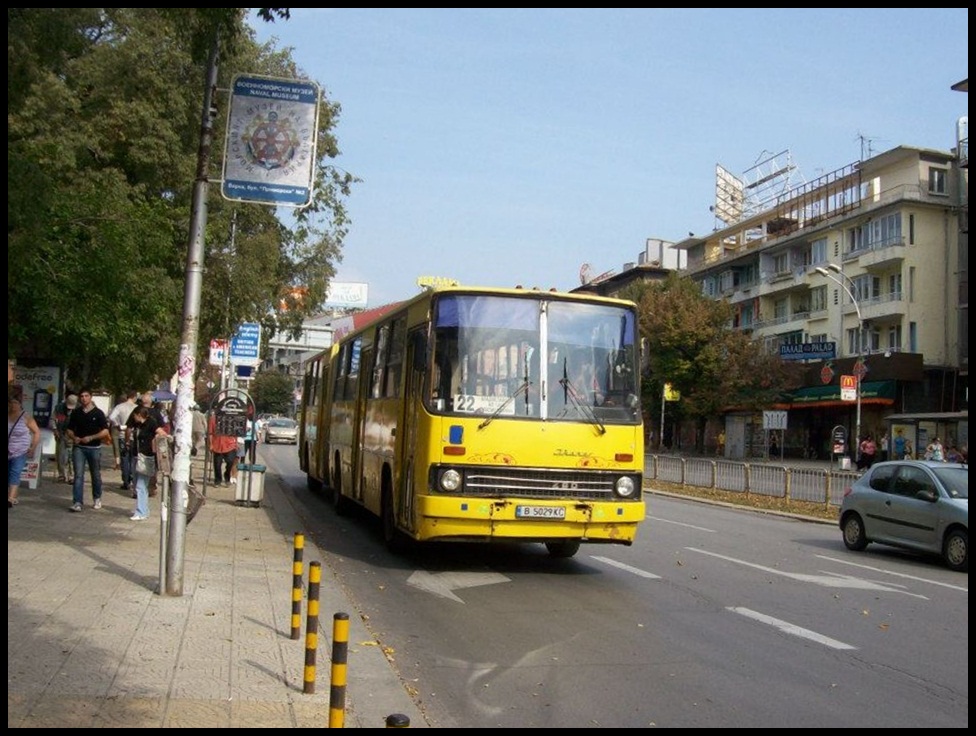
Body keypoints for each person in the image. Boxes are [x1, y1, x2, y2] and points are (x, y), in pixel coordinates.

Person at [65, 387, 110, 511]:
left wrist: (92, 437)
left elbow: (105, 430)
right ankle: (77, 502)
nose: (84, 398)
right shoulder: (76, 413)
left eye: (86, 396)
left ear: (90, 397)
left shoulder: (98, 413)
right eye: (82, 396)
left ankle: (97, 498)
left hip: (94, 448)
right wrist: (74, 437)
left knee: (95, 474)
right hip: (79, 447)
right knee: (78, 475)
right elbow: (69, 429)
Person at [128, 405, 166, 521]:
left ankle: (141, 511)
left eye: (134, 416)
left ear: (139, 415)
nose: (133, 418)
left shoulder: (151, 423)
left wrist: (155, 445)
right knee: (140, 485)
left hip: (147, 457)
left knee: (140, 485)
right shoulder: (138, 425)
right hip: (138, 455)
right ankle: (143, 510)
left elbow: (162, 433)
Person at [8, 388, 42, 508]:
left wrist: (33, 447)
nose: (13, 406)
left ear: (20, 404)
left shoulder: (26, 417)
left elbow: (37, 432)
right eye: (11, 403)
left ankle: (11, 498)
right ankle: (13, 496)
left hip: (20, 450)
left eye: (15, 403)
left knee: (15, 472)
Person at [108, 389, 138, 491]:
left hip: (122, 434)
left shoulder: (119, 407)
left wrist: (118, 424)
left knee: (124, 459)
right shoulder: (137, 408)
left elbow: (111, 417)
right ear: (134, 397)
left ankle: (126, 481)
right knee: (133, 459)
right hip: (134, 435)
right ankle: (133, 479)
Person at [52, 392, 78, 483]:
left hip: (73, 435)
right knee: (61, 456)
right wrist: (55, 429)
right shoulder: (59, 408)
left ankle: (72, 476)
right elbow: (53, 419)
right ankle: (61, 475)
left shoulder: (79, 409)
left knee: (72, 456)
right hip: (61, 433)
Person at [208, 414, 238, 487]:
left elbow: (235, 432)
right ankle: (218, 480)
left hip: (229, 445)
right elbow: (210, 433)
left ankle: (227, 476)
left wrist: (236, 443)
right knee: (217, 464)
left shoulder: (231, 418)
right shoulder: (213, 418)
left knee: (230, 461)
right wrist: (210, 444)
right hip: (217, 445)